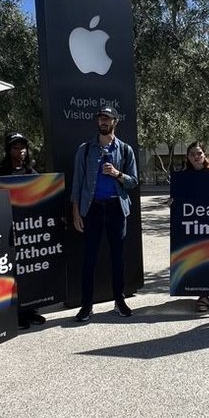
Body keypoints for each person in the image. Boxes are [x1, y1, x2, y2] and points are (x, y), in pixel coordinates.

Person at [71, 107, 139, 322]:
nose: (103, 121)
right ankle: (86, 305)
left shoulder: (125, 149)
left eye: (107, 119)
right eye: (101, 118)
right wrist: (76, 212)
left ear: (115, 122)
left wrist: (117, 174)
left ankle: (119, 301)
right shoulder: (85, 149)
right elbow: (77, 183)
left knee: (117, 259)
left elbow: (133, 181)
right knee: (89, 259)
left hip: (116, 209)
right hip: (92, 209)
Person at [0, 132, 45, 329]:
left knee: (28, 270)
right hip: (7, 231)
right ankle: (17, 312)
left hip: (29, 232)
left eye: (22, 147)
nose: (19, 151)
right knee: (12, 272)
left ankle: (31, 310)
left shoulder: (31, 172)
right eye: (15, 147)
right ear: (8, 150)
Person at [180, 141, 209, 312]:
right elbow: (178, 199)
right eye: (192, 154)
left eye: (199, 153)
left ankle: (205, 294)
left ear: (204, 155)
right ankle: (201, 292)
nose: (196, 157)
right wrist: (171, 203)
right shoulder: (183, 177)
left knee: (208, 256)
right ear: (188, 157)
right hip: (192, 224)